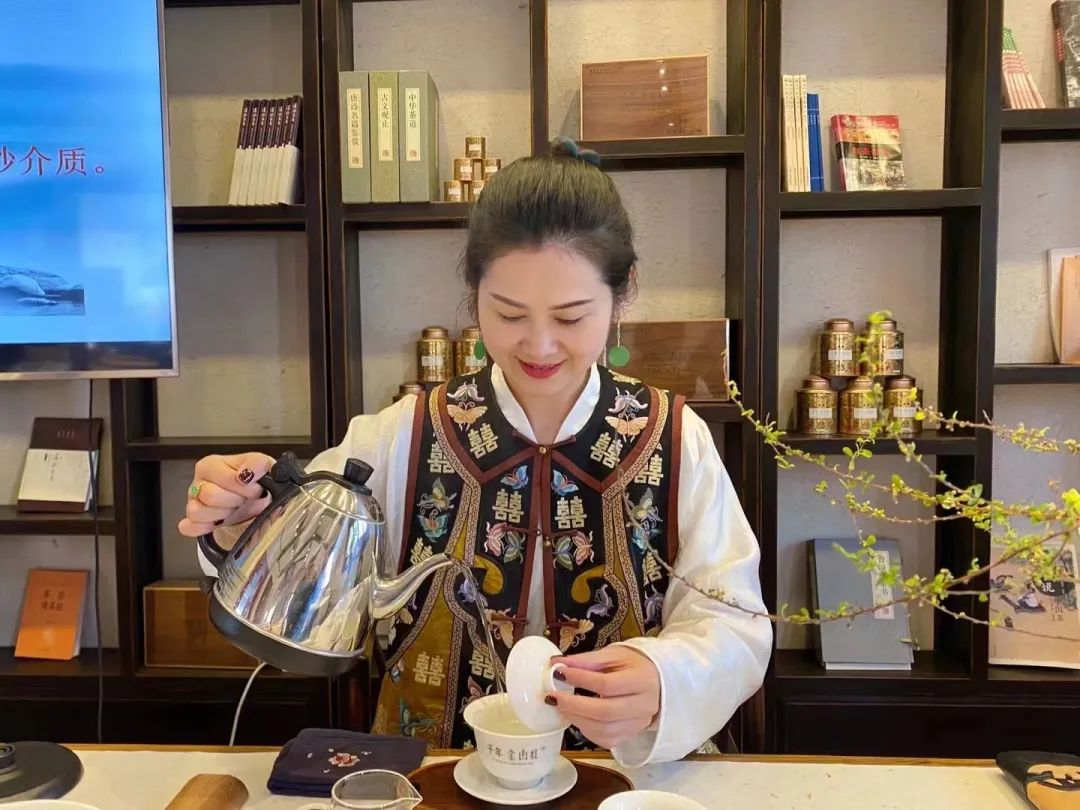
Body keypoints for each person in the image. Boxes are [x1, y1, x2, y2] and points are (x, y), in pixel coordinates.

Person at [179, 136, 772, 767]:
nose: (539, 346)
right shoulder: (403, 434)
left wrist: (664, 677)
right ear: (475, 293)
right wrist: (238, 518)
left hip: (622, 776)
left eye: (571, 318)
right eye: (509, 314)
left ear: (621, 298)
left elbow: (734, 622)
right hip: (436, 774)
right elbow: (296, 573)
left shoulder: (673, 437)